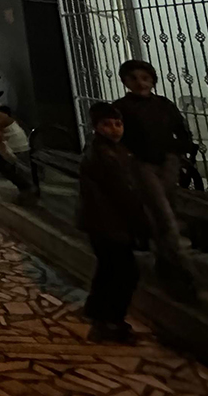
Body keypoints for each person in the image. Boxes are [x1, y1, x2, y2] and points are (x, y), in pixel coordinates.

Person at [115, 59, 197, 298]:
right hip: (142, 165)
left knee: (165, 210)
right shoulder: (122, 107)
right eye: (133, 78)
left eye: (145, 78)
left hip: (167, 163)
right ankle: (184, 273)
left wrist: (176, 152)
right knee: (164, 215)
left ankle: (164, 260)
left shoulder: (164, 105)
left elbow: (181, 130)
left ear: (152, 80)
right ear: (126, 82)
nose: (140, 83)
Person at [78, 102, 151, 343]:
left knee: (109, 268)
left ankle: (96, 311)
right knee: (125, 273)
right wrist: (141, 224)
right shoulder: (107, 156)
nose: (114, 129)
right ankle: (110, 322)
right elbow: (124, 193)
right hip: (111, 223)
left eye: (118, 124)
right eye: (107, 125)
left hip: (99, 222)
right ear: (97, 127)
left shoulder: (104, 150)